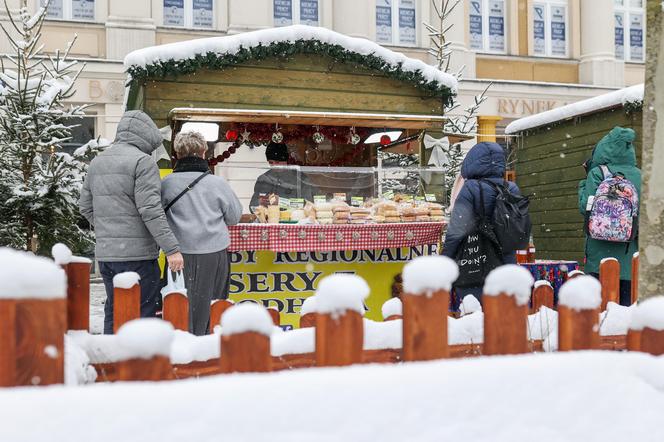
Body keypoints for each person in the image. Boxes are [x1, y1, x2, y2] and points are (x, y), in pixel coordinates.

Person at [79, 110, 184, 334]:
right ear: (146, 137)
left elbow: (85, 206)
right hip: (138, 258)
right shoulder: (143, 162)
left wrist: (109, 229)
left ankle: (110, 362)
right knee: (142, 315)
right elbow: (150, 209)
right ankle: (138, 366)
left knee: (114, 311)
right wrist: (172, 249)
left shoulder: (98, 162)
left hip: (107, 256)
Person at [162, 131, 242, 335]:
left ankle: (182, 346)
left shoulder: (166, 184)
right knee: (213, 304)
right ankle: (208, 347)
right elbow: (234, 217)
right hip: (213, 254)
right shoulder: (217, 184)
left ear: (177, 154)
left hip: (178, 255)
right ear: (204, 152)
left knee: (178, 303)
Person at [442, 142, 523, 307]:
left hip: (476, 263)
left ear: (472, 162)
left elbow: (456, 230)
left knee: (475, 315)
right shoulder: (511, 188)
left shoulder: (471, 188)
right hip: (506, 263)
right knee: (503, 314)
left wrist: (445, 258)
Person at [578, 127, 641, 306]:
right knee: (627, 312)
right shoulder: (640, 175)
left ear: (602, 150)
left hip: (599, 255)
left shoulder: (598, 173)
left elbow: (586, 207)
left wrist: (584, 185)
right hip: (630, 255)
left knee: (599, 310)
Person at [249, 142, 301, 209]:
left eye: (277, 162)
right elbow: (252, 206)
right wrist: (259, 202)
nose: (274, 165)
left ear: (286, 161)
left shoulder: (299, 178)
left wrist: (281, 202)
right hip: (268, 218)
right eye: (271, 162)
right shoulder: (263, 179)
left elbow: (307, 204)